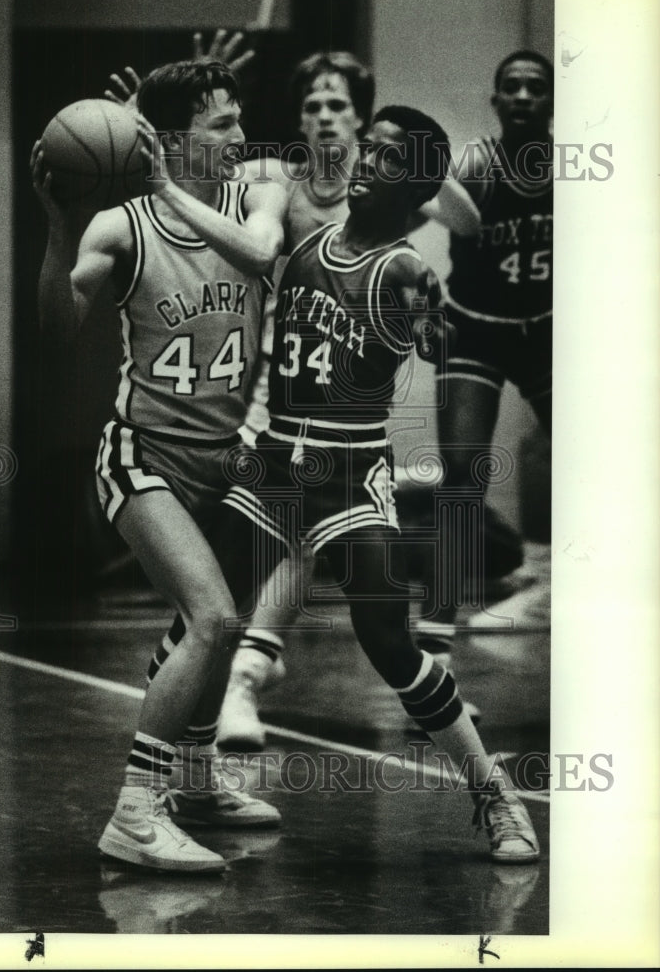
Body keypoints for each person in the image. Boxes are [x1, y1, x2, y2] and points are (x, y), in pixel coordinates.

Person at [103, 49, 482, 749]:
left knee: (313, 560)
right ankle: (227, 695)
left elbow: (464, 219)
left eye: (339, 105)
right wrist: (145, 133)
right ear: (300, 122)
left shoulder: (389, 206)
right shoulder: (276, 182)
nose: (325, 116)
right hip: (267, 394)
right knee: (232, 585)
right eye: (312, 105)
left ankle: (248, 674)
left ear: (362, 120)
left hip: (343, 415)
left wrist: (424, 153)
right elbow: (206, 181)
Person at [215, 104, 540, 863]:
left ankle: (494, 792)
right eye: (371, 150)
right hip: (273, 461)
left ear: (417, 188)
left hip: (349, 472)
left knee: (388, 641)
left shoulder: (406, 270)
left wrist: (428, 327)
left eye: (391, 161)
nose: (368, 162)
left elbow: (428, 329)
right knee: (204, 620)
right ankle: (180, 783)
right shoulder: (305, 250)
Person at [32, 58, 289, 873]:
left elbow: (258, 254)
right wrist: (58, 224)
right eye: (221, 124)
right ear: (174, 138)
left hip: (231, 459)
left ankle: (199, 782)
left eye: (239, 120)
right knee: (212, 620)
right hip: (143, 457)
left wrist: (170, 184)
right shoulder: (120, 227)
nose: (241, 136)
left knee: (219, 626)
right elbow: (57, 329)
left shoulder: (260, 185)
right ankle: (135, 815)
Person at [414, 50, 553, 647]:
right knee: (463, 475)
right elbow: (406, 213)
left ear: (551, 101)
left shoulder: (577, 169)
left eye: (536, 87)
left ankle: (547, 584)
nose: (523, 96)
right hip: (474, 326)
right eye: (511, 88)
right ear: (495, 101)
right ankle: (436, 640)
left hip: (548, 327)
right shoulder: (472, 167)